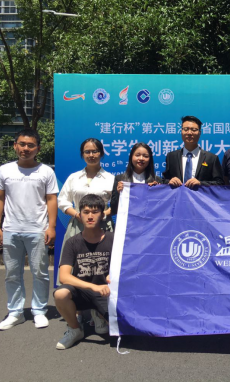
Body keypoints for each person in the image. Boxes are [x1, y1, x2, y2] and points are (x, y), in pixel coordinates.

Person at [0, 128, 59, 330]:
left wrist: (51, 227)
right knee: (12, 273)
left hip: (37, 229)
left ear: (37, 148)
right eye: (22, 144)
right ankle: (15, 312)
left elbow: (51, 199)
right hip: (11, 229)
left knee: (40, 273)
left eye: (31, 145)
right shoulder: (5, 170)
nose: (26, 148)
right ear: (15, 146)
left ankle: (39, 311)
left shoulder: (46, 171)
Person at [53, 194, 113, 349]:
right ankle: (75, 329)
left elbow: (125, 268)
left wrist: (112, 276)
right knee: (60, 294)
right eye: (86, 212)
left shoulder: (113, 239)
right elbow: (64, 276)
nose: (90, 216)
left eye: (95, 212)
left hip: (106, 293)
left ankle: (100, 314)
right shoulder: (72, 242)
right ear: (80, 215)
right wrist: (93, 287)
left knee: (122, 332)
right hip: (82, 292)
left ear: (102, 214)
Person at [57, 138, 115, 285]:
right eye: (87, 152)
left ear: (101, 153)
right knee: (74, 262)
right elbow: (62, 201)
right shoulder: (74, 177)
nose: (91, 155)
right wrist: (77, 214)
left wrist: (103, 215)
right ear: (82, 154)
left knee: (103, 262)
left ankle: (104, 294)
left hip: (102, 225)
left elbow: (117, 205)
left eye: (95, 151)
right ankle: (72, 293)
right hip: (77, 224)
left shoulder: (110, 178)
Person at [162, 116, 224, 187]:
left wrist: (201, 183)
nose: (189, 133)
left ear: (199, 133)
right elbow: (163, 180)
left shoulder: (211, 158)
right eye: (186, 129)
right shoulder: (171, 156)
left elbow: (220, 183)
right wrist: (170, 181)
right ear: (181, 132)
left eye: (194, 130)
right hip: (178, 194)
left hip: (200, 194)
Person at [110, 142, 162, 215]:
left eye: (145, 156)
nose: (141, 158)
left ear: (150, 159)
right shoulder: (120, 179)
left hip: (149, 221)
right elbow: (114, 209)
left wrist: (156, 193)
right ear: (131, 157)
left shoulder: (157, 181)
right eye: (137, 155)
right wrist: (119, 194)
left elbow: (161, 209)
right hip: (128, 221)